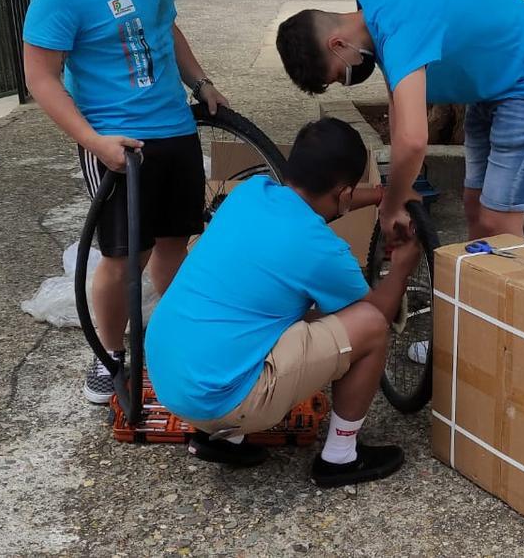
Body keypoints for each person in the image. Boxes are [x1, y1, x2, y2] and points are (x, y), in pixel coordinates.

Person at [23, 0, 229, 404]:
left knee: (174, 242)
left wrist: (200, 83)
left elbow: (165, 26)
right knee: (124, 256)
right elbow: (41, 78)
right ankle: (107, 355)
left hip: (176, 131)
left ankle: (172, 339)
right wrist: (93, 141)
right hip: (118, 141)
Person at [144, 118, 417, 485]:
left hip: (169, 373)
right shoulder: (322, 251)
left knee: (265, 305)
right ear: (345, 193)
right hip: (220, 399)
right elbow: (373, 313)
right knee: (369, 329)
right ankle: (340, 458)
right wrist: (401, 267)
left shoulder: (251, 193)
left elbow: (314, 212)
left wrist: (381, 198)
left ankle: (223, 439)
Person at [275, 0, 524, 247]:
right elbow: (400, 113)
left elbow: (413, 140)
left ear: (337, 44)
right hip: (494, 87)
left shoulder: (399, 30)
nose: (348, 80)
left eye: (339, 74)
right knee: (474, 205)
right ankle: (479, 295)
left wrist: (391, 205)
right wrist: (401, 187)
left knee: (498, 222)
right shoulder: (377, 11)